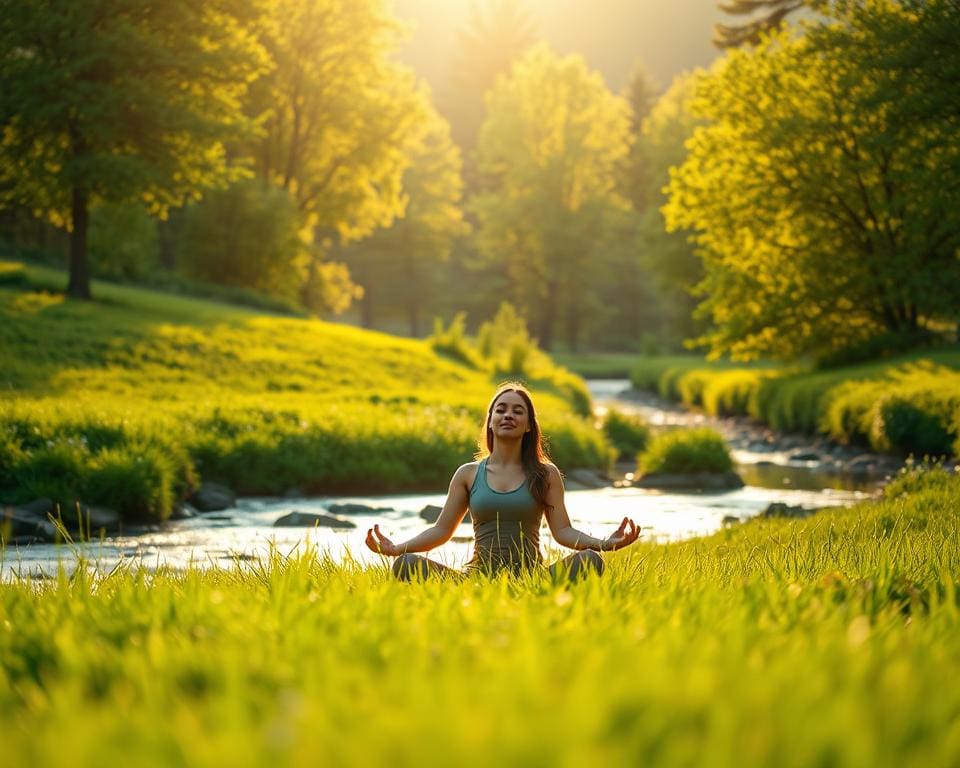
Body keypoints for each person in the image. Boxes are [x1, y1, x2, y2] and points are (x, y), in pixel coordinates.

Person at [364, 383, 640, 581]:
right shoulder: (468, 474)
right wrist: (396, 548)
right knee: (406, 564)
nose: (508, 415)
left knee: (591, 560)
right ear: (491, 421)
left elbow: (563, 532)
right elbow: (440, 531)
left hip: (534, 579)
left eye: (518, 411)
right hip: (474, 581)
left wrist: (605, 543)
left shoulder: (546, 474)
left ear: (529, 424)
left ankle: (540, 589)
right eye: (501, 409)